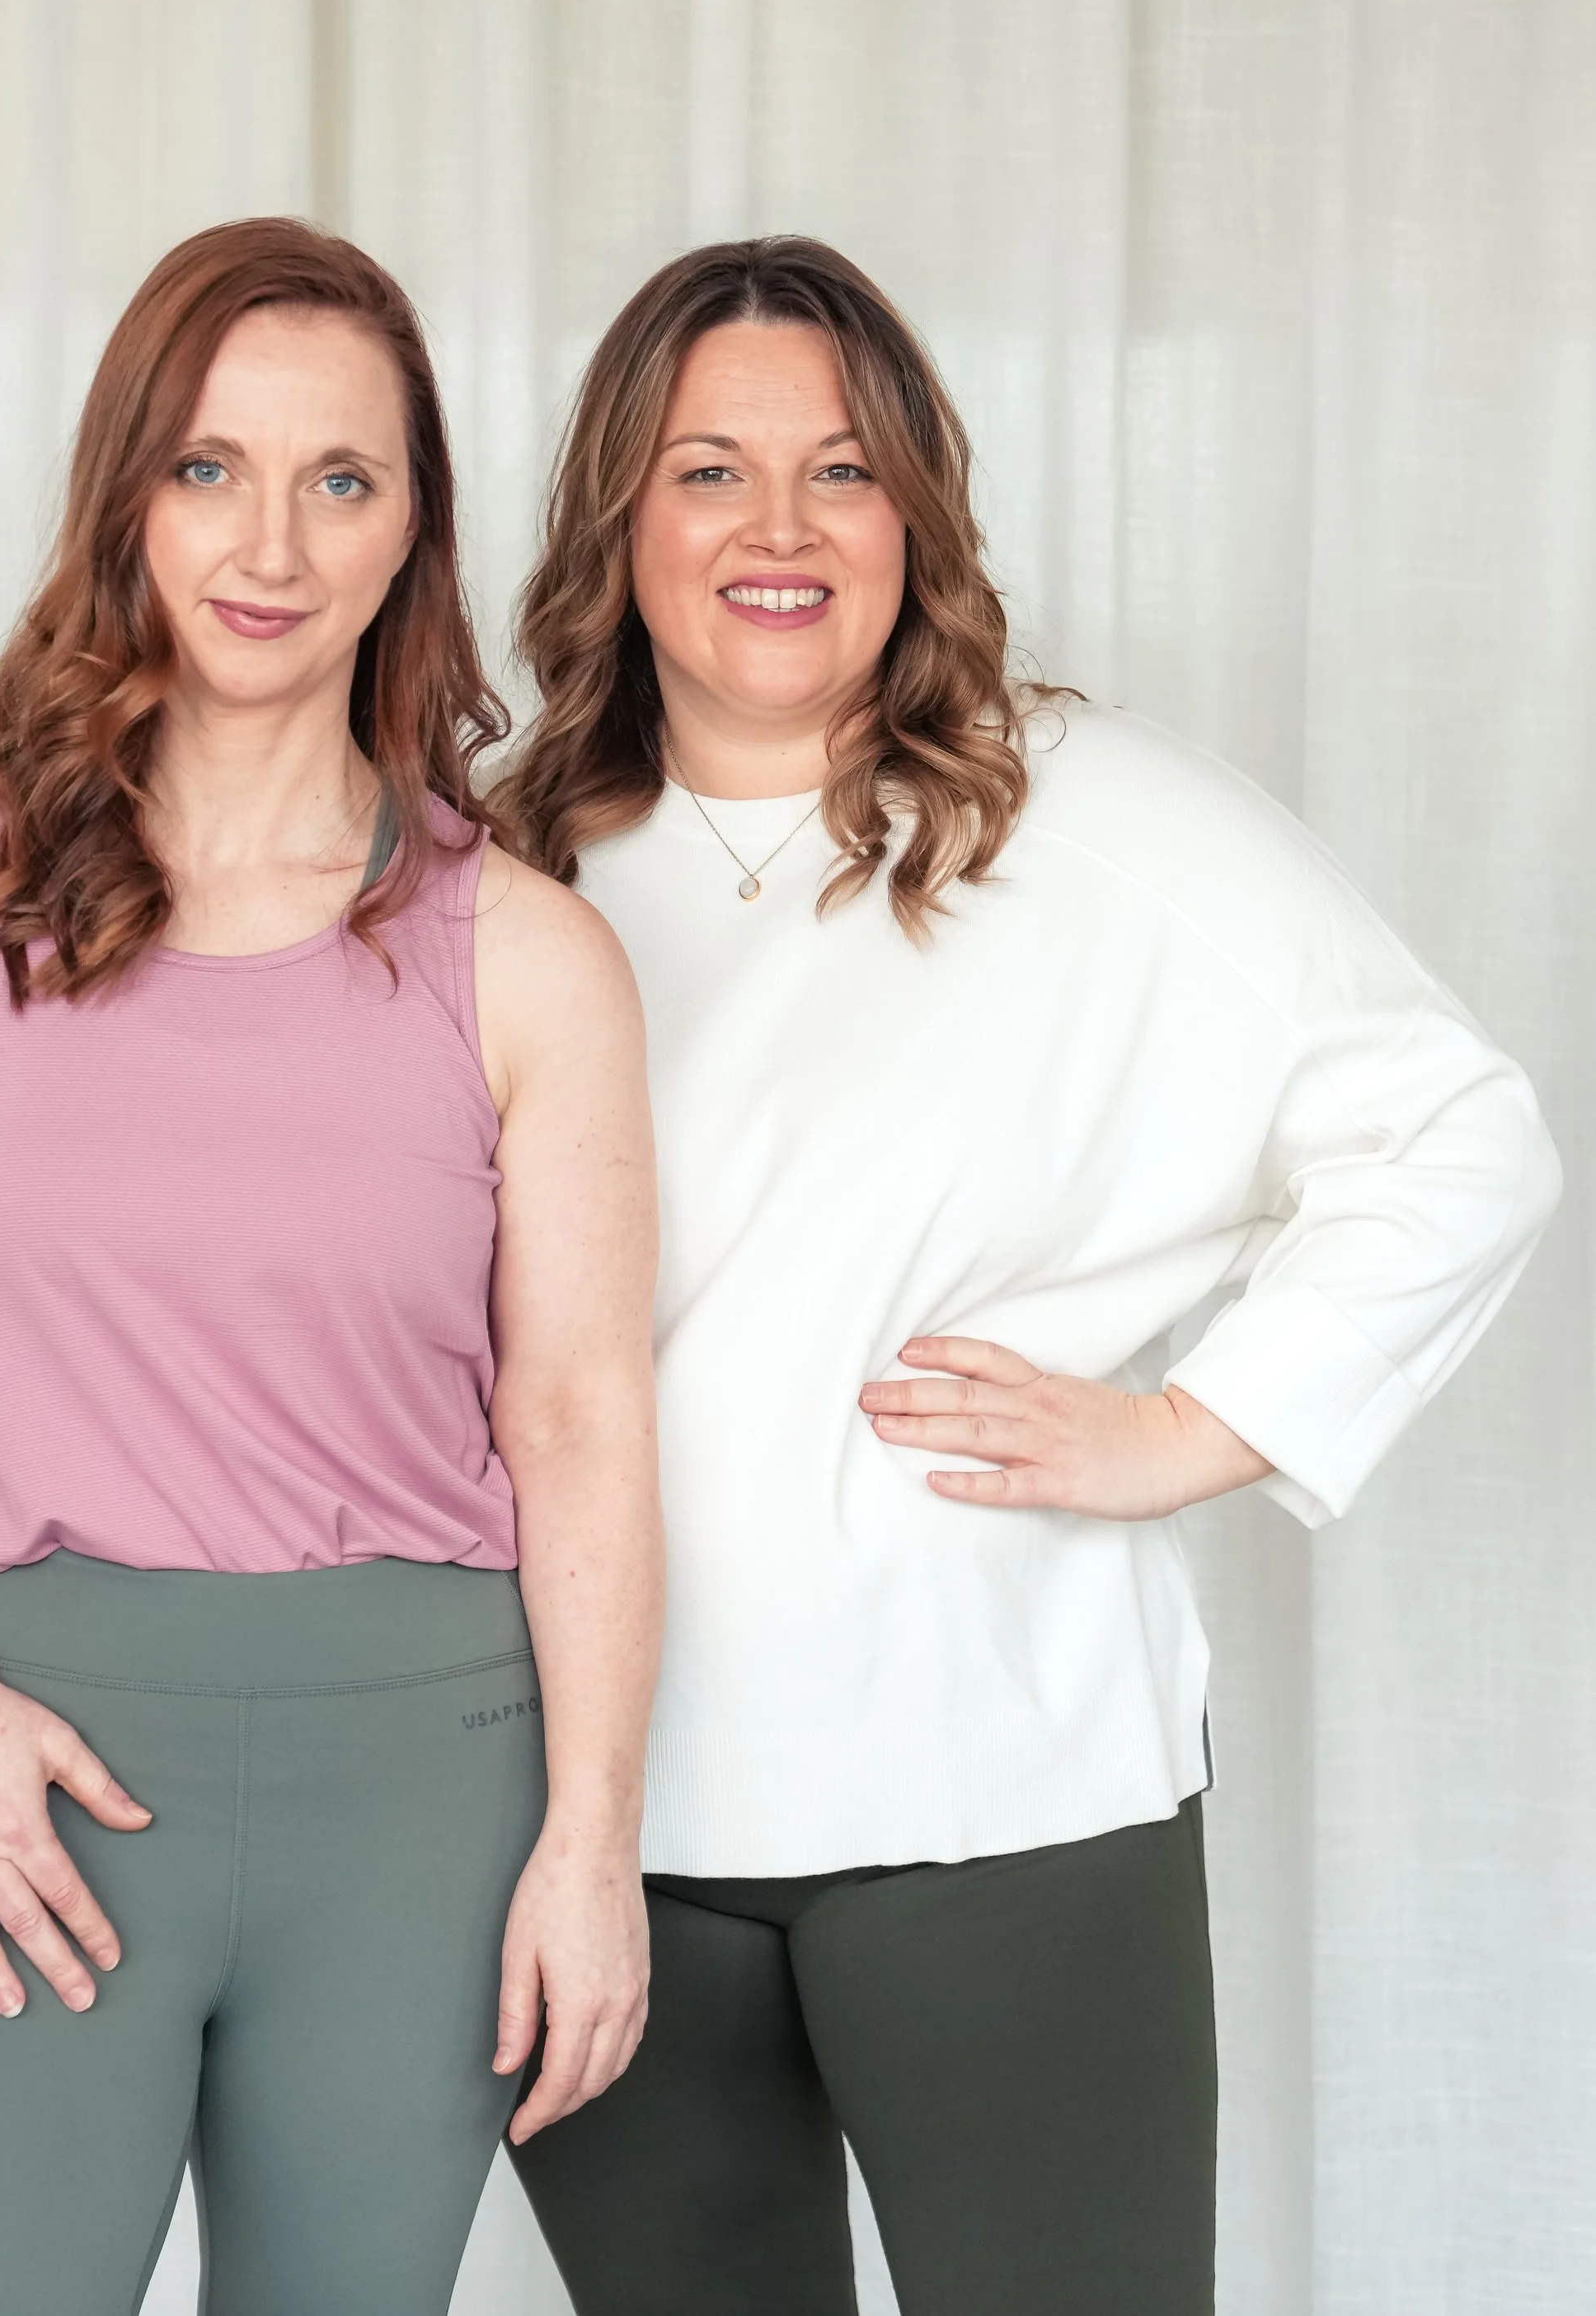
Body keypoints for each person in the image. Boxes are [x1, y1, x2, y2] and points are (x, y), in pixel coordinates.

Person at [495, 234, 1560, 2315]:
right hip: (592, 1825)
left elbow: (1456, 1128)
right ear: (619, 519)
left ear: (918, 513)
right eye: (708, 470)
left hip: (997, 1797)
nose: (777, 530)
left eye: (842, 471)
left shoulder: (1088, 814)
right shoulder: (502, 863)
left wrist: (1188, 1428)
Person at [0, 218, 663, 2316]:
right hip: (26, 1757)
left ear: (413, 529)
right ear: (124, 491)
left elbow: (579, 1412)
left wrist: (587, 1835)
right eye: (212, 466)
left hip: (424, 1770)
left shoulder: (525, 954)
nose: (275, 541)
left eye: (346, 479)